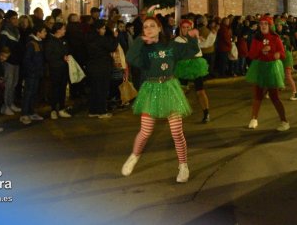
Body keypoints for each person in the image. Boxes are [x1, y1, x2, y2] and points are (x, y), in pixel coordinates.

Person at [121, 15, 200, 183]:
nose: (148, 29)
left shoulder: (171, 44)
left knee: (177, 132)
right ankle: (134, 156)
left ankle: (183, 165)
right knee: (146, 131)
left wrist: (192, 38)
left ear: (159, 28)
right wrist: (139, 41)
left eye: (152, 26)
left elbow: (191, 50)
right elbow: (130, 58)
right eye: (145, 27)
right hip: (151, 89)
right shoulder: (143, 49)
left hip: (170, 88)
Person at [245, 16, 290, 131]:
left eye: (265, 24)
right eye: (261, 24)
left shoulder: (275, 37)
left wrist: (277, 54)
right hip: (259, 67)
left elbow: (283, 54)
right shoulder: (256, 38)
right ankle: (254, 119)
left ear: (270, 26)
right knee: (258, 94)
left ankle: (284, 121)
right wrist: (261, 50)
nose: (263, 26)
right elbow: (251, 54)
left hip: (272, 68)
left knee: (274, 96)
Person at [175, 19, 211, 123]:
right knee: (182, 90)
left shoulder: (196, 38)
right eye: (184, 27)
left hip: (196, 65)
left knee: (200, 91)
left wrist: (210, 36)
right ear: (181, 29)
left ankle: (206, 113)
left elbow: (206, 44)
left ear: (191, 28)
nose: (186, 29)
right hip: (184, 65)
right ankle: (179, 112)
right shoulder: (178, 39)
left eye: (188, 27)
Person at [85, 19, 118, 117]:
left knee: (94, 89)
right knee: (102, 89)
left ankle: (93, 110)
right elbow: (112, 47)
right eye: (103, 28)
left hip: (92, 66)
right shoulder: (101, 39)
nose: (104, 30)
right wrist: (115, 37)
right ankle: (102, 111)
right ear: (98, 29)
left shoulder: (88, 38)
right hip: (102, 67)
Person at [20, 24, 48, 125]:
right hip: (31, 73)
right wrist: (33, 70)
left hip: (37, 72)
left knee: (34, 93)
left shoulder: (39, 42)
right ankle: (24, 114)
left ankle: (31, 112)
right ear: (38, 33)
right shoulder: (32, 43)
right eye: (44, 31)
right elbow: (27, 60)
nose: (45, 33)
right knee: (28, 93)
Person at [44, 22, 71, 119]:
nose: (65, 31)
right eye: (63, 29)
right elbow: (48, 56)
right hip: (55, 68)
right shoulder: (50, 41)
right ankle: (53, 109)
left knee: (62, 89)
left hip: (64, 68)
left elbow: (67, 51)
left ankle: (61, 108)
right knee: (55, 89)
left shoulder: (64, 40)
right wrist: (61, 57)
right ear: (58, 30)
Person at [0, 10, 22, 115]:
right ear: (8, 20)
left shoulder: (16, 31)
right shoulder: (5, 31)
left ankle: (10, 102)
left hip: (16, 60)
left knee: (14, 83)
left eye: (16, 17)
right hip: (9, 61)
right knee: (8, 83)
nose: (16, 20)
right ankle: (5, 105)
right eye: (13, 18)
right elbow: (4, 47)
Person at [277, 22, 297, 101]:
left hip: (286, 57)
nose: (278, 26)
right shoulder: (281, 36)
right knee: (278, 74)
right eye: (277, 25)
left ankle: (295, 93)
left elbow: (286, 47)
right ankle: (280, 87)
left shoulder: (285, 37)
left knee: (288, 76)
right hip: (282, 57)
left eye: (280, 25)